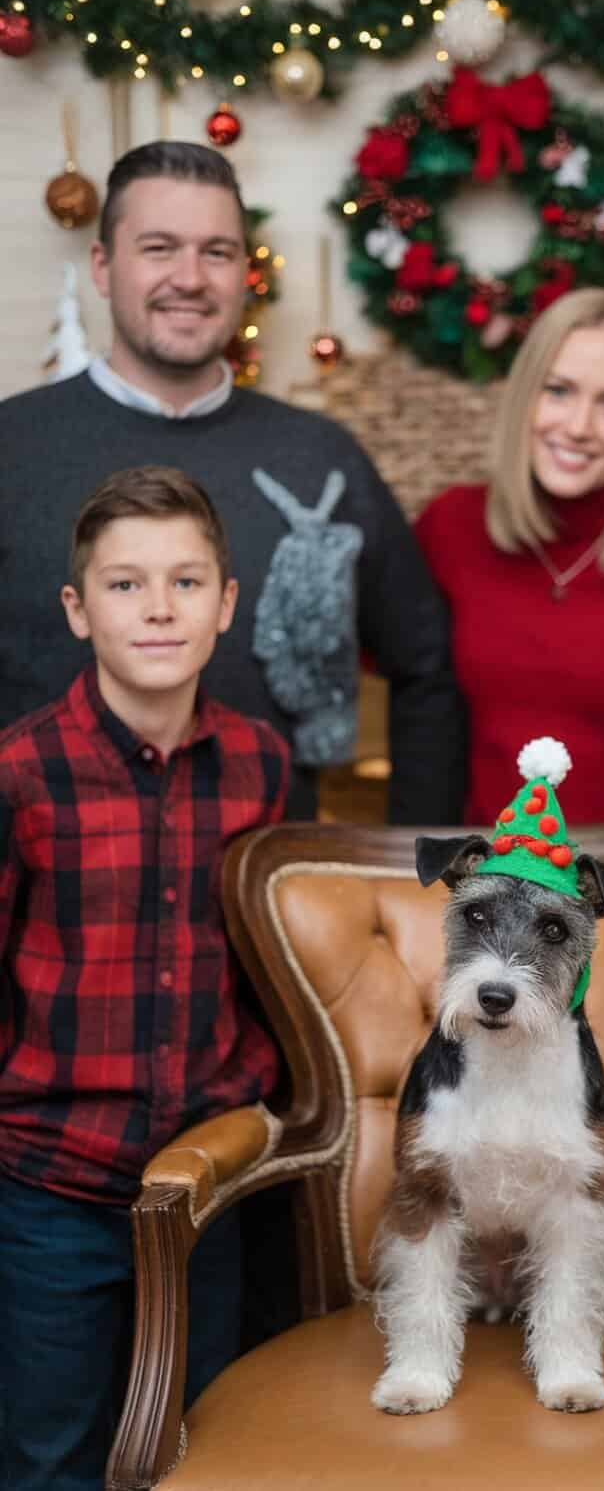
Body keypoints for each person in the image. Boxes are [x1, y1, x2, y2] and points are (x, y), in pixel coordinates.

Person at [0, 139, 465, 824]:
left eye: (217, 252)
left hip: (262, 899)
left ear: (246, 271)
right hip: (52, 902)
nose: (190, 278)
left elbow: (427, 669)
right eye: (159, 248)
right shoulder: (14, 447)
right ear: (102, 266)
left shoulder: (321, 460)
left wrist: (410, 868)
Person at [0, 466, 290, 1491]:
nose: (158, 608)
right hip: (52, 1185)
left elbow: (274, 971)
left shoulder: (262, 763)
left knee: (198, 1442)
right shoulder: (21, 772)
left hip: (205, 1183)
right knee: (49, 1450)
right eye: (125, 586)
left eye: (184, 581)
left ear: (226, 602)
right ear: (78, 610)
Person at [415, 287, 604, 826]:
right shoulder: (451, 527)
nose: (577, 427)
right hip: (486, 881)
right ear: (526, 397)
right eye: (559, 391)